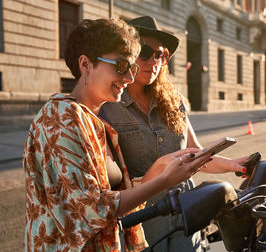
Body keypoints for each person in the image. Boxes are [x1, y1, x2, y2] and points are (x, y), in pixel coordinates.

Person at [23, 18, 209, 252]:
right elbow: (89, 210)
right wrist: (164, 181)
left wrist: (158, 170)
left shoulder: (98, 123)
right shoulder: (60, 117)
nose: (130, 78)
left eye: (132, 68)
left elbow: (115, 195)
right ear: (85, 65)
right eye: (121, 66)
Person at [100, 16, 249, 252]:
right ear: (127, 55)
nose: (154, 61)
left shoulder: (173, 101)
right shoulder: (107, 105)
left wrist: (234, 164)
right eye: (145, 52)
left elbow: (195, 154)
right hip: (141, 223)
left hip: (186, 214)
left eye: (161, 54)